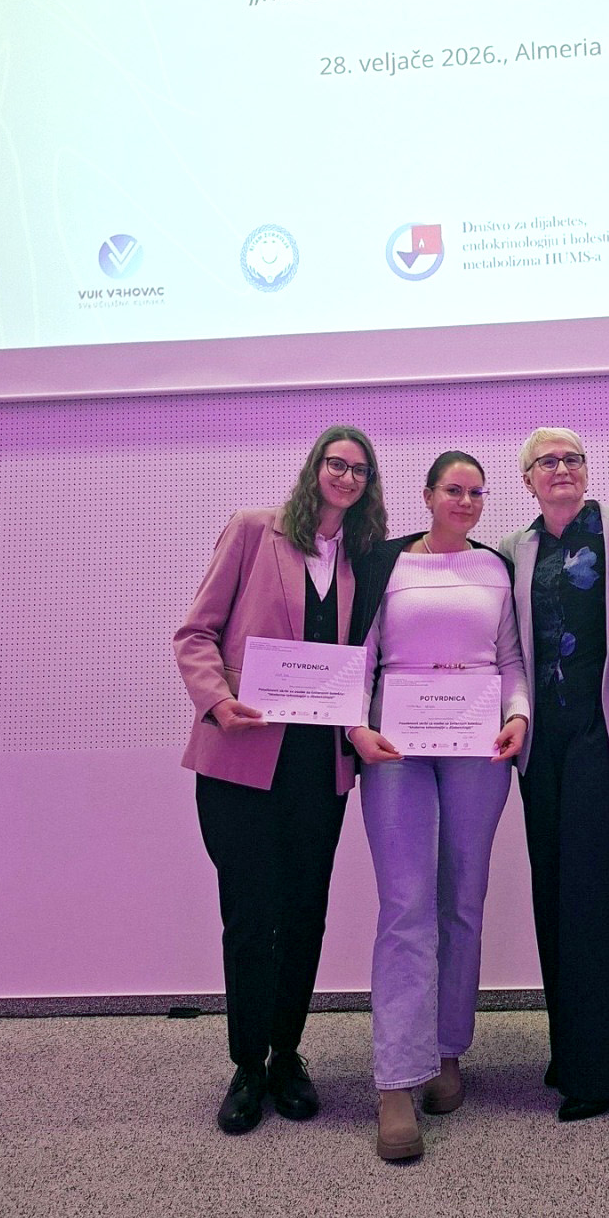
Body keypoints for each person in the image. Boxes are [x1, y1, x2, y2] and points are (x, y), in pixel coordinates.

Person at [174, 425, 387, 1134]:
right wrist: (216, 700)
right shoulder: (252, 531)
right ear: (314, 468)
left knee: (304, 913)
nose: (346, 477)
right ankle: (247, 1064)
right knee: (248, 915)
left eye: (359, 470)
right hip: (242, 756)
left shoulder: (362, 559)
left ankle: (287, 1054)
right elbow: (196, 634)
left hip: (318, 767)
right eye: (336, 464)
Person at [347, 451, 529, 1162]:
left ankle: (448, 1049)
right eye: (454, 489)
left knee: (463, 900)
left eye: (477, 492)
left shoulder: (495, 568)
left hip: (478, 747)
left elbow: (509, 659)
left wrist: (518, 714)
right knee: (405, 906)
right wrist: (354, 728)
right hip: (397, 746)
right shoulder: (386, 565)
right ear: (427, 496)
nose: (466, 501)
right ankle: (395, 1079)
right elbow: (362, 656)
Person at [500, 428, 609, 1122]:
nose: (561, 468)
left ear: (587, 471)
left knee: (603, 895)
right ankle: (570, 1049)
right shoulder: (513, 549)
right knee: (555, 892)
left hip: (608, 733)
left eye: (572, 458)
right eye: (547, 461)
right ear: (528, 479)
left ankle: (606, 1072)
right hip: (542, 741)